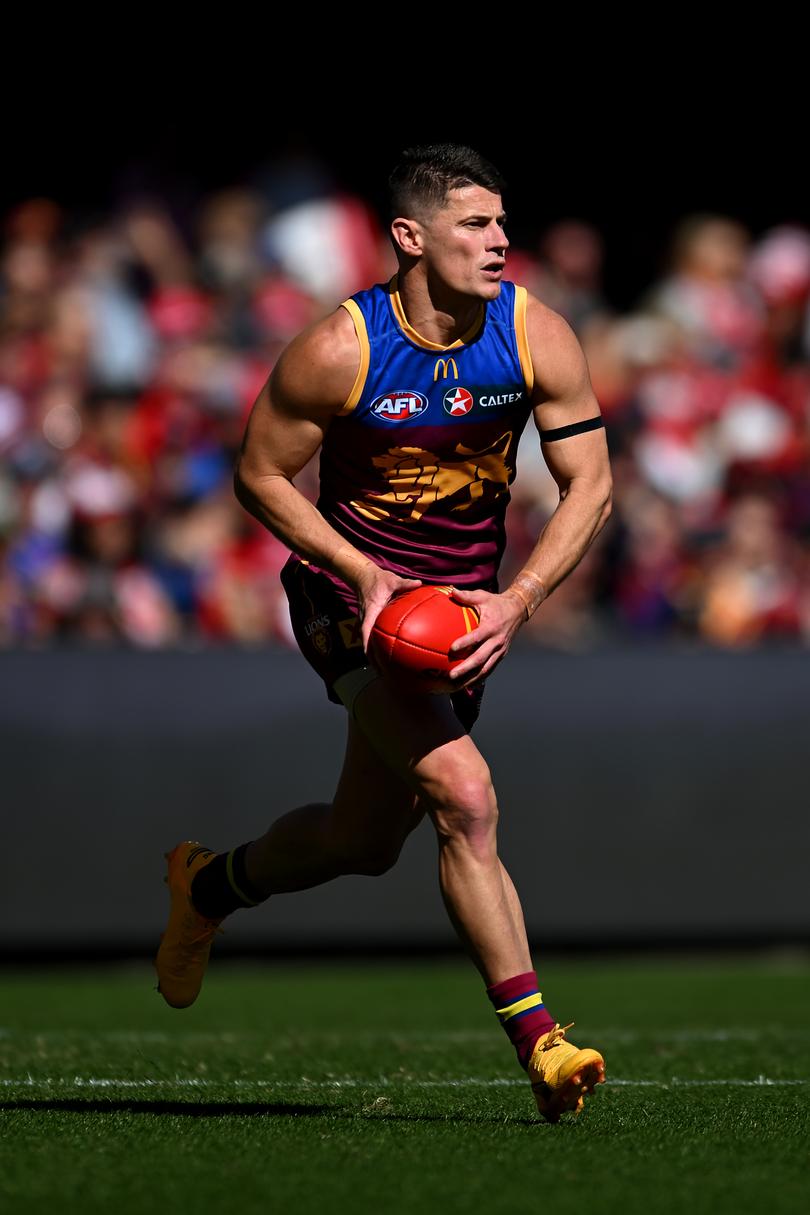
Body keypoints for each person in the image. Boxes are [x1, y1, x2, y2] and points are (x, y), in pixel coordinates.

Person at [155, 144, 613, 1123]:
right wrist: (364, 574)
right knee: (465, 795)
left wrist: (518, 599)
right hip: (348, 596)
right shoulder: (339, 349)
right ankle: (543, 1044)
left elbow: (594, 485)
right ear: (410, 238)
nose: (499, 242)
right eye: (474, 225)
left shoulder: (537, 336)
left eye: (501, 223)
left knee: (363, 842)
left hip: (461, 614)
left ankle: (210, 884)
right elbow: (260, 475)